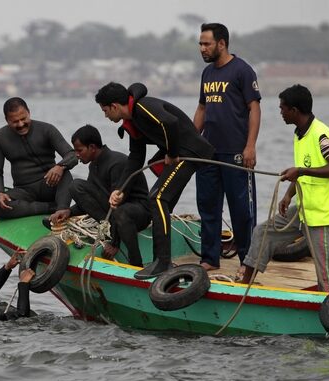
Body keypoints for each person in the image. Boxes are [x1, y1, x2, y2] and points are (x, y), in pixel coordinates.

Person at [240, 85, 329, 291]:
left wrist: (301, 172)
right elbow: (302, 169)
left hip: (324, 213)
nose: (280, 113)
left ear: (294, 111)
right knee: (263, 231)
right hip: (306, 207)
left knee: (323, 268)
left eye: (282, 109)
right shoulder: (300, 133)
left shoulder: (321, 135)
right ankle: (244, 284)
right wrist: (288, 195)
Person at [95, 82, 215, 279]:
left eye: (105, 110)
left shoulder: (143, 107)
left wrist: (173, 153)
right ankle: (160, 261)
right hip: (181, 153)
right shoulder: (132, 121)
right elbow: (135, 157)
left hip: (190, 152)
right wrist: (120, 189)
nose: (106, 115)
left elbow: (170, 123)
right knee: (161, 202)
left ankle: (162, 261)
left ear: (115, 106)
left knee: (156, 198)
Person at [193, 23, 262, 274]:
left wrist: (250, 146)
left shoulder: (242, 71)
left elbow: (254, 108)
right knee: (208, 207)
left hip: (236, 153)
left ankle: (248, 261)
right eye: (200, 44)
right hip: (209, 153)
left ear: (221, 44)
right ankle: (210, 258)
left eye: (206, 43)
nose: (202, 48)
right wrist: (191, 141)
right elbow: (202, 109)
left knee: (242, 211)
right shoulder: (207, 74)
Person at [48, 124, 151, 267]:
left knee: (119, 210)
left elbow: (117, 203)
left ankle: (136, 263)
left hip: (137, 212)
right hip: (117, 213)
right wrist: (69, 211)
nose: (77, 155)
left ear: (92, 147)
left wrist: (114, 243)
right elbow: (91, 198)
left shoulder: (116, 163)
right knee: (76, 186)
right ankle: (110, 227)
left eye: (79, 150)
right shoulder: (94, 165)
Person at [0, 97, 78, 219]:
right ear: (7, 120)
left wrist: (60, 166)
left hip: (49, 185)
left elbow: (72, 155)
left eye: (23, 119)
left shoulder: (47, 129)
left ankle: (61, 210)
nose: (20, 124)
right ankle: (49, 208)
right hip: (24, 191)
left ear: (29, 112)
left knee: (65, 173)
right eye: (15, 121)